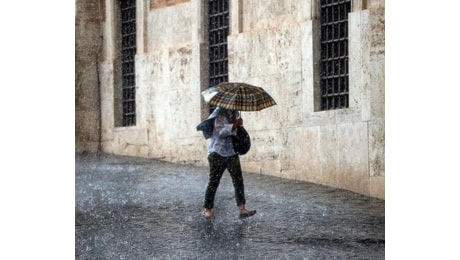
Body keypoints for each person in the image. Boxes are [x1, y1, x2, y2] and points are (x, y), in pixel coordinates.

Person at [196, 107, 256, 219]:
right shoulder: (218, 113)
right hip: (217, 152)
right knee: (214, 181)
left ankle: (242, 208)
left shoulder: (235, 113)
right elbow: (220, 132)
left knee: (238, 180)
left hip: (231, 151)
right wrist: (234, 125)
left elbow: (234, 132)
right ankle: (207, 209)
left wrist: (239, 125)